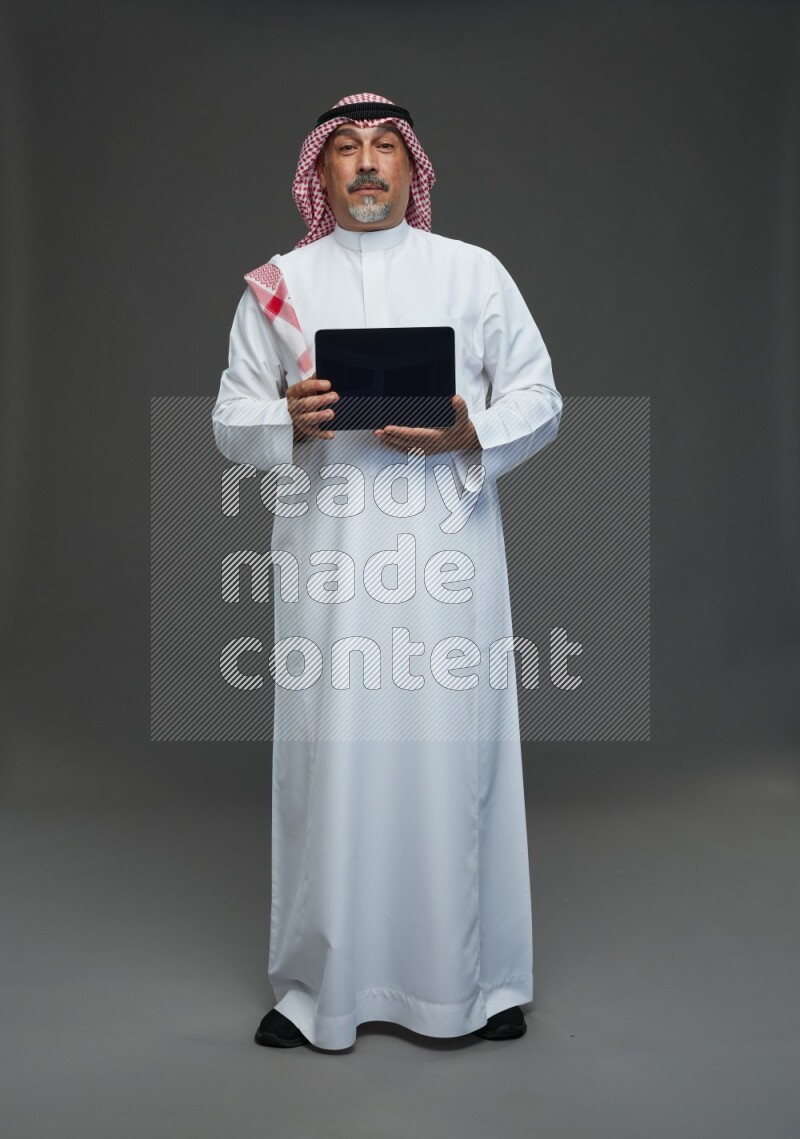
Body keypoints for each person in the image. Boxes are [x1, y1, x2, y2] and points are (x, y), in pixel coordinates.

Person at [212, 93, 563, 1051]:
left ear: (412, 168)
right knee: (329, 765)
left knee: (457, 758)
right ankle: (314, 989)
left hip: (448, 561)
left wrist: (471, 429)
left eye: (384, 147)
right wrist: (286, 417)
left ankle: (480, 984)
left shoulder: (473, 272)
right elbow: (229, 419)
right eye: (346, 149)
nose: (367, 163)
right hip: (329, 567)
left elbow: (541, 395)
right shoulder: (279, 287)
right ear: (320, 173)